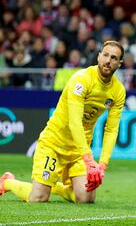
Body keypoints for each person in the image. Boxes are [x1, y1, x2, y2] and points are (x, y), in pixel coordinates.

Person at [0, 41, 126, 203]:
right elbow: (74, 122)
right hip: (54, 144)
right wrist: (89, 160)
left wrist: (102, 165)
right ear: (99, 56)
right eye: (106, 55)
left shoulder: (118, 91)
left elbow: (111, 129)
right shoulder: (81, 80)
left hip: (78, 150)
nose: (108, 60)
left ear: (120, 63)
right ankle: (8, 181)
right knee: (38, 197)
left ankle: (54, 186)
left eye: (114, 58)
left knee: (86, 198)